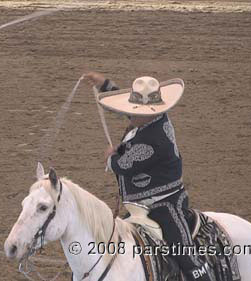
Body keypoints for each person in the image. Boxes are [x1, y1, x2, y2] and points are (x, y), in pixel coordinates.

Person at [83, 72, 214, 281]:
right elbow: (129, 111)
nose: (131, 113)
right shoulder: (152, 120)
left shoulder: (154, 139)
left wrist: (110, 157)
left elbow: (123, 165)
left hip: (166, 204)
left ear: (151, 112)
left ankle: (200, 275)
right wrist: (105, 85)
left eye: (136, 111)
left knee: (182, 250)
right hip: (141, 204)